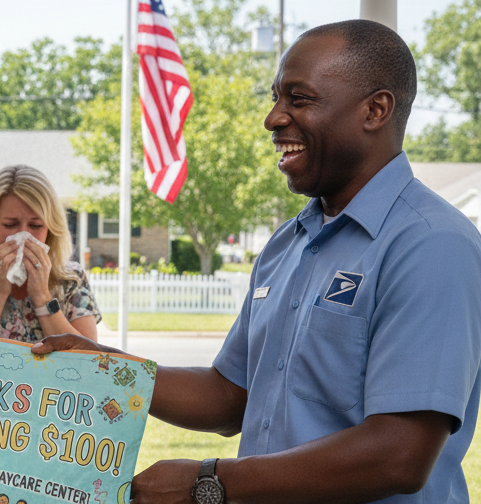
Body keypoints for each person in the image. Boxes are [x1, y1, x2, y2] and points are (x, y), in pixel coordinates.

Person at [33, 20, 481, 504]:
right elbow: (230, 398)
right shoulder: (287, 243)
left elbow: (398, 455)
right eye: (276, 98)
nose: (273, 118)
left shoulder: (432, 245)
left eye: (299, 98)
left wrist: (209, 482)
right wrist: (107, 366)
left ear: (375, 109)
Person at [0, 164, 101, 342]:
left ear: (50, 229)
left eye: (36, 225)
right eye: (10, 225)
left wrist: (42, 296)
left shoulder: (71, 279)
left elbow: (88, 359)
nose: (24, 236)